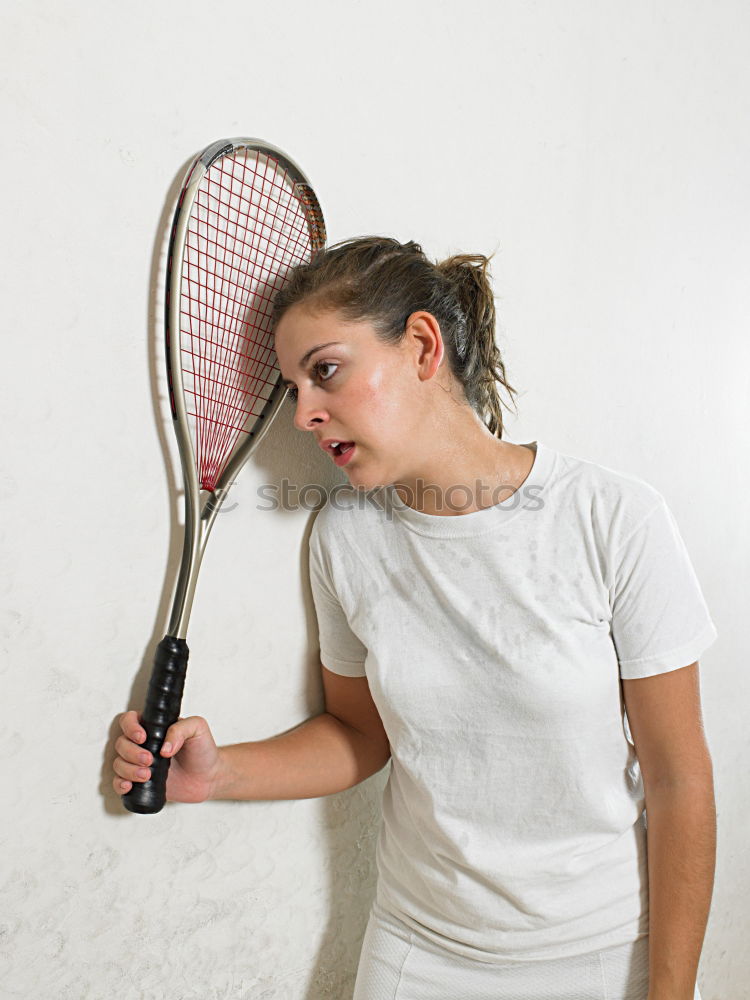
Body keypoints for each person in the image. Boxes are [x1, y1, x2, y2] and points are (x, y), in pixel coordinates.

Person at [113, 237, 717, 1000]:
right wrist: (217, 774)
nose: (303, 414)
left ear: (423, 346)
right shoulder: (344, 537)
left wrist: (672, 993)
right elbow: (361, 734)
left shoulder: (612, 517)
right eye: (293, 386)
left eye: (324, 371)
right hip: (416, 952)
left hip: (600, 954)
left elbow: (678, 778)